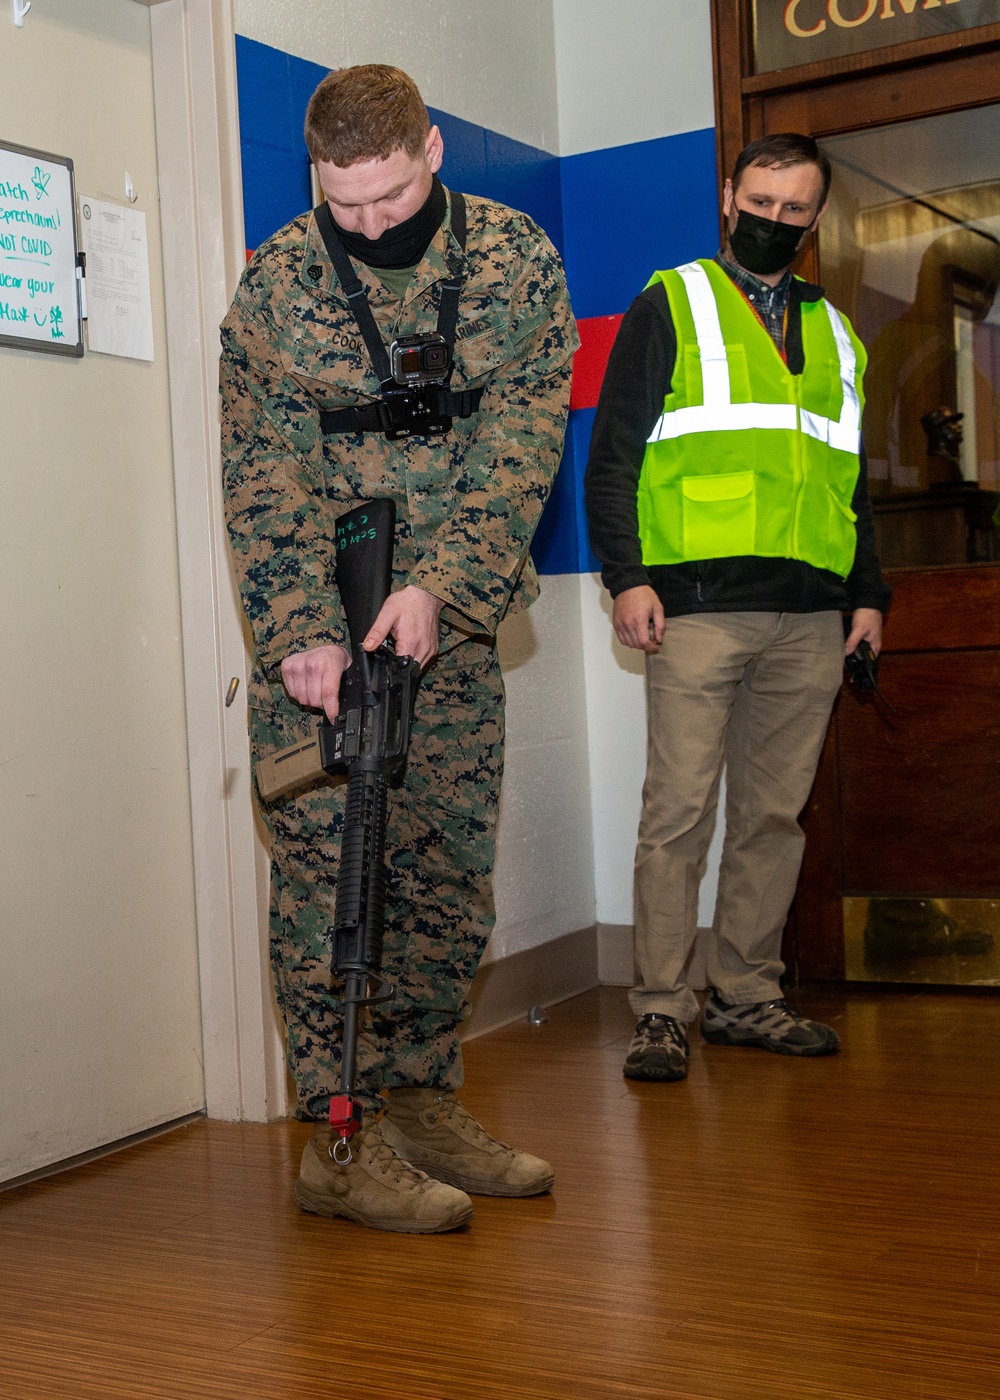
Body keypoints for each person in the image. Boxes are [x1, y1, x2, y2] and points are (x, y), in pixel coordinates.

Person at [220, 65, 577, 1230]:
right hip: (323, 645)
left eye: (387, 194)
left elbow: (522, 449)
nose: (368, 222)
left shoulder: (515, 261)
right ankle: (335, 1138)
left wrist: (446, 588)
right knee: (330, 888)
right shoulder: (275, 284)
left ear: (430, 148)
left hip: (452, 635)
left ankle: (420, 1100)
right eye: (343, 199)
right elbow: (258, 473)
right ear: (315, 169)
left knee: (442, 880)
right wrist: (296, 632)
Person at [585, 133, 891, 1083]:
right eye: (759, 201)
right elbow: (614, 455)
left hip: (810, 615)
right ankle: (662, 1010)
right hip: (698, 607)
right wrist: (625, 576)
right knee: (677, 811)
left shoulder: (836, 330)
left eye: (794, 210)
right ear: (728, 196)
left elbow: (851, 483)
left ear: (815, 218)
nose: (773, 221)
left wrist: (867, 595)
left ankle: (749, 996)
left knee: (774, 816)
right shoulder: (670, 301)